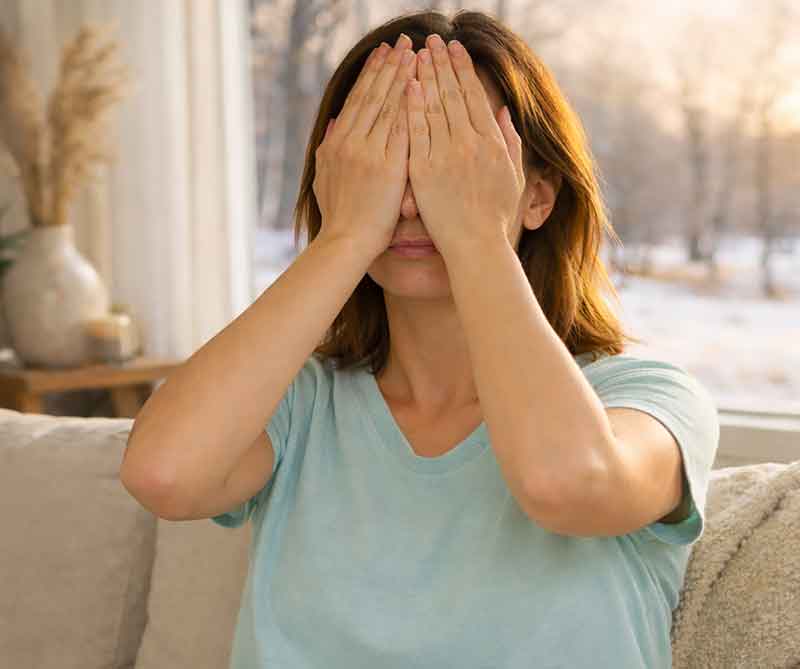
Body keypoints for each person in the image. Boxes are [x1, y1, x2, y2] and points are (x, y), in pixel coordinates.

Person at [120, 9, 720, 668]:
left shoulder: (648, 400)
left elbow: (565, 482)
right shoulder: (299, 405)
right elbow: (162, 473)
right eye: (386, 160)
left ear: (537, 197)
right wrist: (345, 236)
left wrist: (475, 233)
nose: (410, 200)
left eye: (450, 157)